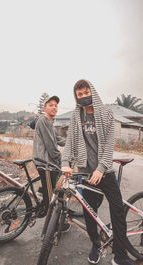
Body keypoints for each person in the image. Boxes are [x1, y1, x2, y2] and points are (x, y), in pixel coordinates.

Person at [61, 79, 136, 265]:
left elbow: (109, 144)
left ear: (92, 92)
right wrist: (65, 162)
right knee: (89, 212)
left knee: (117, 210)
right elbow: (70, 141)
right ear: (76, 97)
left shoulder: (106, 113)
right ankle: (95, 244)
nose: (84, 96)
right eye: (80, 94)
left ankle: (120, 255)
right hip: (85, 172)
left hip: (105, 171)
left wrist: (101, 169)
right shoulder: (76, 116)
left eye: (86, 92)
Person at [33, 95, 70, 232]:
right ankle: (51, 227)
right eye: (51, 105)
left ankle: (41, 197)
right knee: (51, 197)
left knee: (52, 188)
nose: (54, 107)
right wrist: (61, 159)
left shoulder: (50, 123)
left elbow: (58, 139)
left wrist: (72, 143)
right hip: (45, 163)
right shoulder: (43, 120)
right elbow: (50, 146)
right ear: (44, 108)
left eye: (56, 105)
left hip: (48, 163)